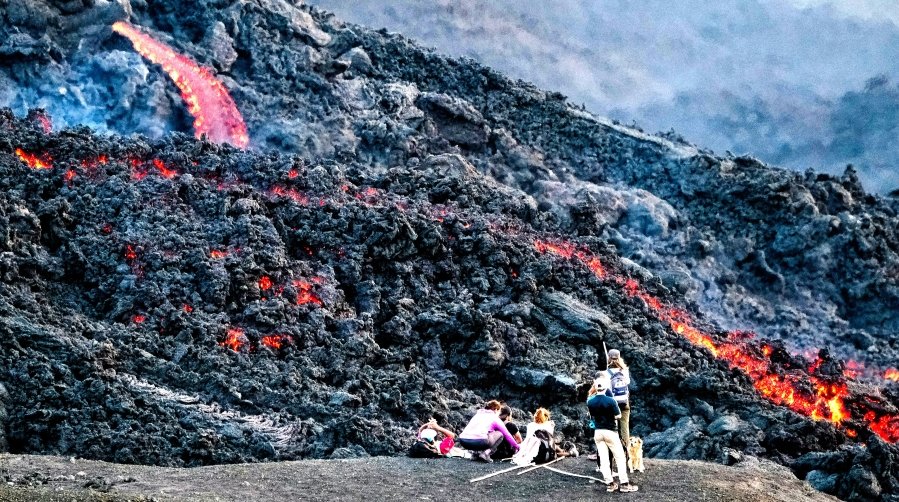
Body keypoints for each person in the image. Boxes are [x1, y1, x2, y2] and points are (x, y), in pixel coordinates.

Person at [588, 376, 638, 492]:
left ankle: (610, 484)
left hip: (598, 432)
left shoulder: (591, 402)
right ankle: (624, 484)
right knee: (620, 457)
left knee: (604, 458)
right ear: (606, 387)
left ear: (596, 387)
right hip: (610, 431)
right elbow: (618, 415)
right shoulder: (611, 401)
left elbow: (592, 416)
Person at [606, 349, 632, 457]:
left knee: (612, 428)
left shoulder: (606, 372)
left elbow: (606, 388)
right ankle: (627, 451)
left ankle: (612, 452)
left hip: (612, 403)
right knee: (624, 427)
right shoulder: (624, 370)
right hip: (624, 402)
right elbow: (628, 382)